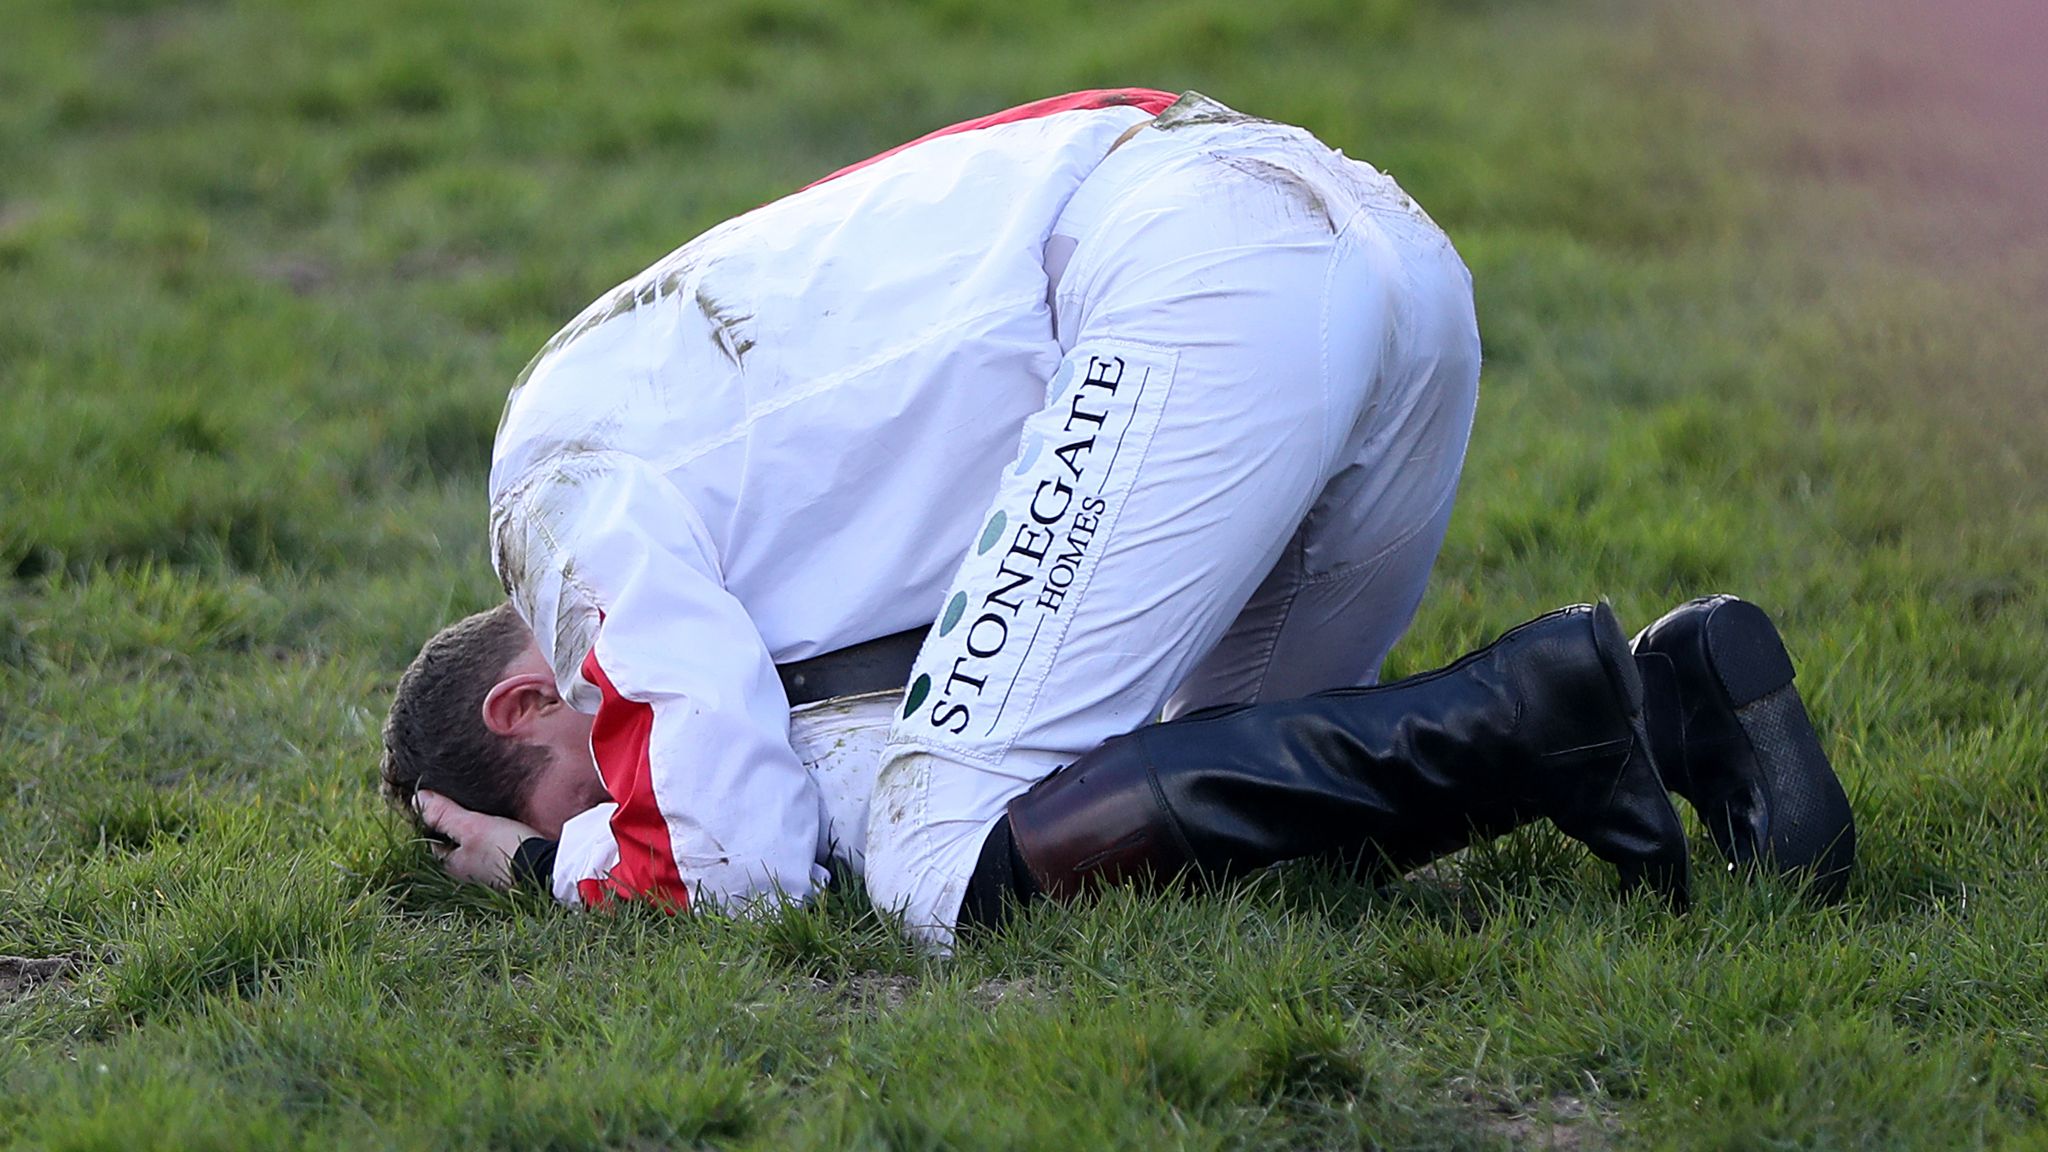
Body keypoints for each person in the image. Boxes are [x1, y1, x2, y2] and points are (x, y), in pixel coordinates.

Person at [381, 89, 1854, 948]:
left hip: (1200, 280)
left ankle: (1548, 710)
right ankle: (1673, 703)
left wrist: (539, 864)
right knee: (1140, 802)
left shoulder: (548, 490)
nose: (624, 782)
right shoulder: (656, 444)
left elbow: (727, 853)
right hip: (1374, 254)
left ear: (527, 702)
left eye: (590, 780)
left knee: (942, 866)